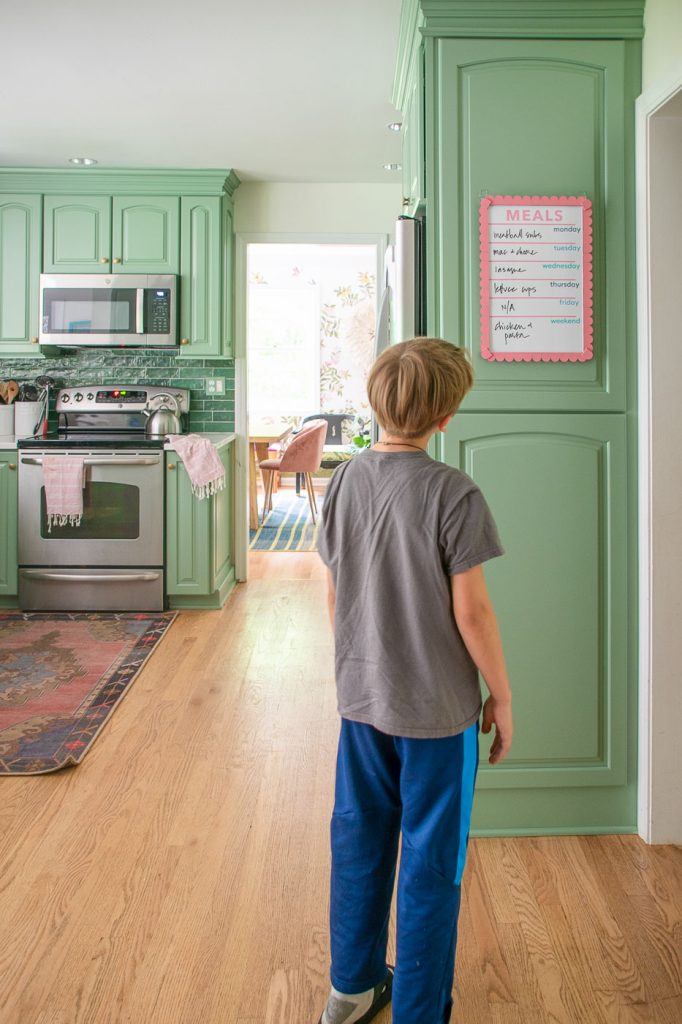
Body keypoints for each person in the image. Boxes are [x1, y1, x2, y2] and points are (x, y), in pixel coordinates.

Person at [315, 337, 513, 1024]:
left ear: (376, 401)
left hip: (363, 702)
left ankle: (352, 988)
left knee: (358, 841)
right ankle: (421, 1011)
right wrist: (503, 696)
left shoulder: (342, 481)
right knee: (432, 864)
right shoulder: (453, 492)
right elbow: (474, 613)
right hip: (437, 715)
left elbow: (337, 593)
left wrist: (351, 670)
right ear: (446, 415)